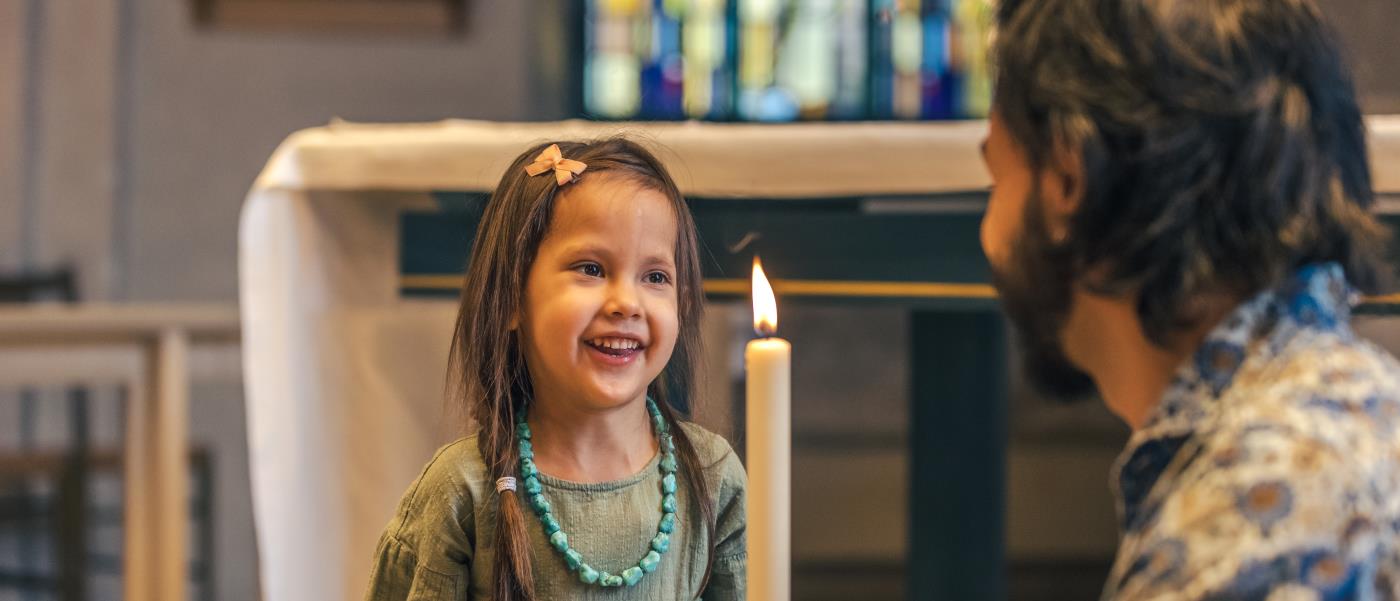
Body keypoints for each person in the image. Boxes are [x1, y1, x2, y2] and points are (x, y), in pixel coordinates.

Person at [980, 0, 1400, 597]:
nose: (986, 234)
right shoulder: (1366, 410)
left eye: (997, 180)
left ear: (1066, 181)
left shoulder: (1237, 537)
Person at [364, 138, 746, 600]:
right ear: (511, 298)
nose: (626, 303)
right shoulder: (463, 490)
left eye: (656, 277)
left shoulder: (710, 476)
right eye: (590, 268)